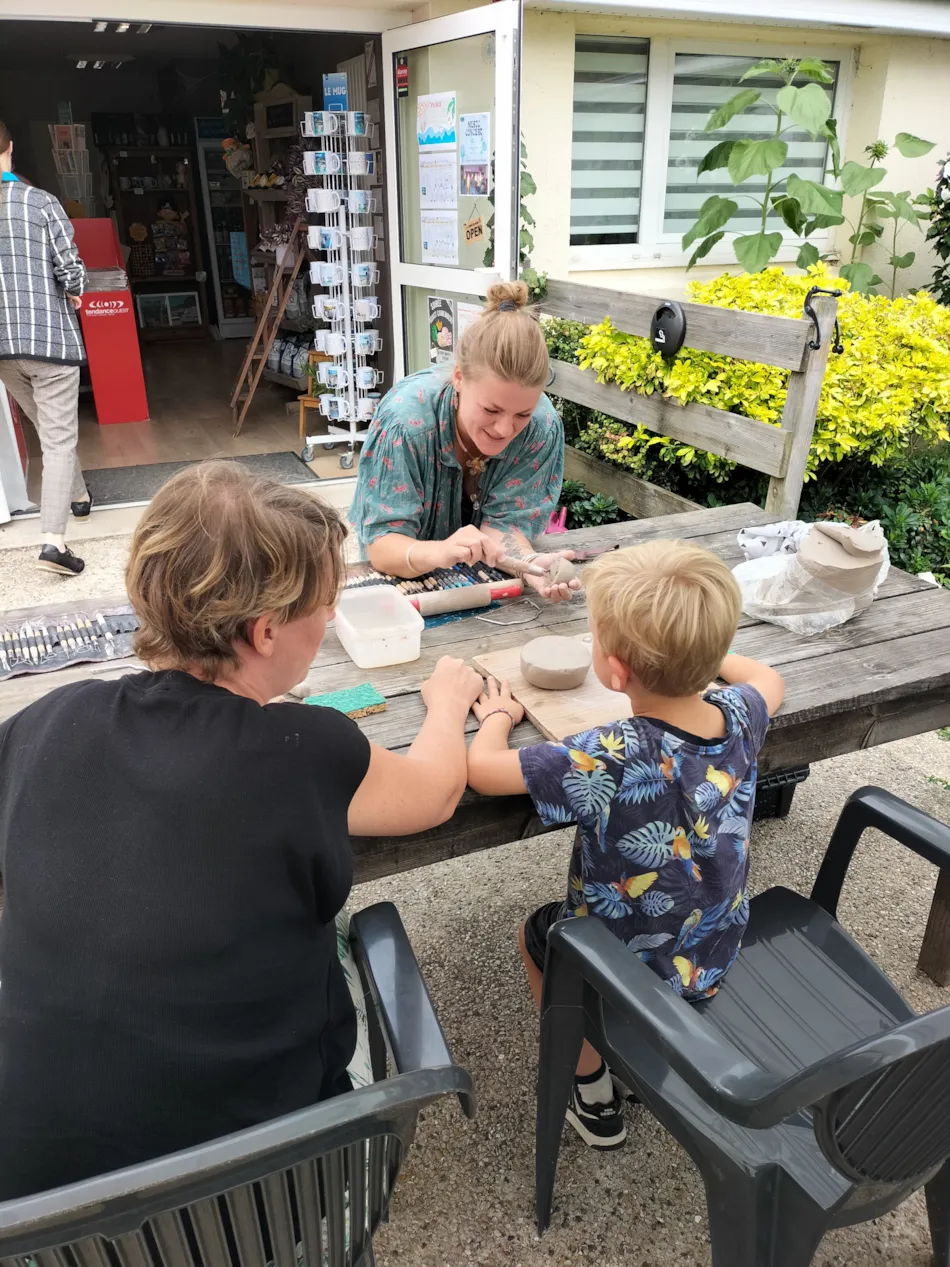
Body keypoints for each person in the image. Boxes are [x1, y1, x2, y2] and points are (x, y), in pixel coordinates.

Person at [0, 462, 483, 1200]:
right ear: (264, 632)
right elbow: (438, 791)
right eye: (323, 605)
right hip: (272, 1193)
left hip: (46, 1212)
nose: (327, 621)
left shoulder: (39, 726)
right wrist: (448, 702)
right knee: (349, 928)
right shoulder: (306, 746)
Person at [467, 540, 784, 1149]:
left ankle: (592, 1088)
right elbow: (768, 676)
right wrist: (706, 652)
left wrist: (497, 718)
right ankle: (638, 1047)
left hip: (624, 962)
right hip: (712, 942)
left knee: (537, 937)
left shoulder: (609, 753)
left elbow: (484, 772)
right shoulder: (742, 713)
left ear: (615, 670)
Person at [349, 280, 580, 604]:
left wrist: (527, 564)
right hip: (400, 596)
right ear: (458, 377)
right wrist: (440, 552)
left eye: (522, 413)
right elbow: (383, 547)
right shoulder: (405, 424)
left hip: (488, 590)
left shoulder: (540, 427)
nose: (504, 428)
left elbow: (506, 525)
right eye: (491, 409)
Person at [0, 119, 91, 576]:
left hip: (2, 348)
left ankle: (77, 495)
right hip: (47, 338)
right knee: (57, 438)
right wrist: (74, 289)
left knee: (45, 428)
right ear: (10, 148)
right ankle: (53, 544)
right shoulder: (39, 202)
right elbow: (70, 267)